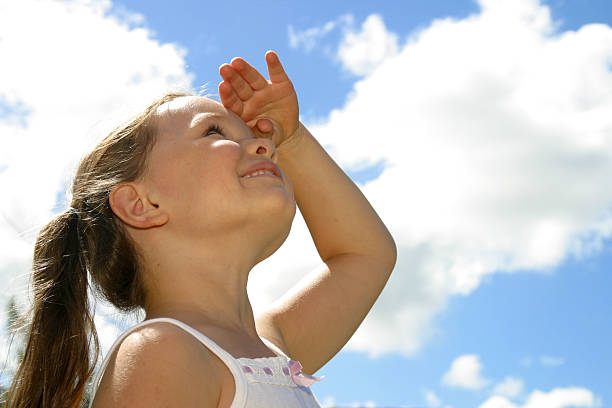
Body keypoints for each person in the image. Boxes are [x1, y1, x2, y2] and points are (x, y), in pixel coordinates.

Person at [5, 51, 397, 407]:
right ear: (142, 204)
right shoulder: (163, 352)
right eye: (214, 132)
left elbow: (365, 254)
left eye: (261, 138)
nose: (267, 146)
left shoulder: (271, 346)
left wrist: (291, 137)